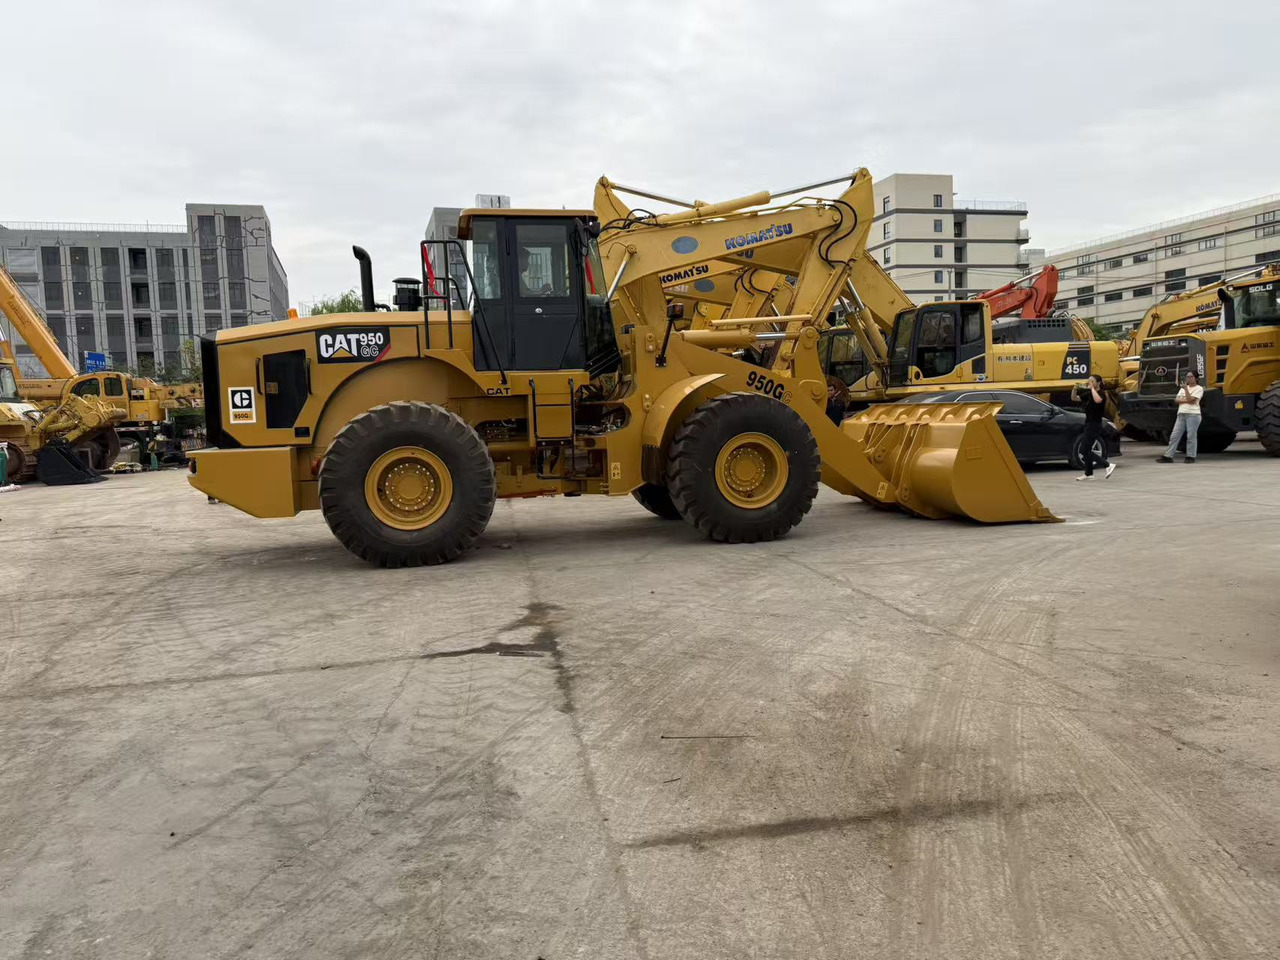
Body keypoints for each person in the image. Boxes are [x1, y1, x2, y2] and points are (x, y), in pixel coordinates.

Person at [1157, 371, 1204, 463]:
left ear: (1196, 378)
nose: (1188, 379)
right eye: (1187, 377)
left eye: (1190, 377)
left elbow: (1191, 400)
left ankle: (1190, 456)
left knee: (1191, 436)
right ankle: (1168, 456)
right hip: (1181, 414)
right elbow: (1177, 400)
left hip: (1193, 414)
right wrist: (1187, 399)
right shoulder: (1182, 389)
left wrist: (1186, 390)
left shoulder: (1199, 388)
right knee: (1174, 435)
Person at [1076, 375, 1116, 480]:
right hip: (1088, 423)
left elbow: (1098, 400)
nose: (1090, 383)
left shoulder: (1101, 393)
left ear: (1098, 383)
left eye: (1092, 381)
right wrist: (1074, 390)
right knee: (1086, 450)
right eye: (1089, 381)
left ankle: (1108, 465)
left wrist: (1092, 389)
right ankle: (1089, 474)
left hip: (1095, 424)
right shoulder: (1089, 393)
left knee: (1084, 450)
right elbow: (1074, 398)